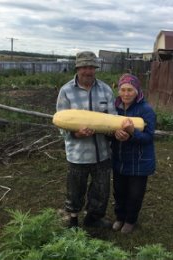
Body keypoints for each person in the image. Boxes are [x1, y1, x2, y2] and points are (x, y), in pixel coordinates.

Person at [56, 51, 116, 228]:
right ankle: (73, 219)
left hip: (102, 152)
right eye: (84, 67)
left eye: (91, 67)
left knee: (101, 190)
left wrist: (111, 131)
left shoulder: (105, 89)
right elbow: (60, 122)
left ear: (96, 69)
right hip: (78, 153)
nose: (88, 71)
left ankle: (93, 219)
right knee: (75, 190)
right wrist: (75, 134)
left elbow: (113, 117)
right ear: (78, 68)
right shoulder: (66, 91)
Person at [111, 73, 156, 234]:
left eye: (130, 90)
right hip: (120, 159)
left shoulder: (146, 110)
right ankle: (120, 217)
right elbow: (109, 130)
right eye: (123, 89)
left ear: (137, 91)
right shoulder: (114, 108)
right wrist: (114, 134)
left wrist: (132, 133)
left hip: (139, 161)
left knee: (135, 194)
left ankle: (130, 220)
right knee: (119, 191)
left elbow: (149, 137)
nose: (126, 93)